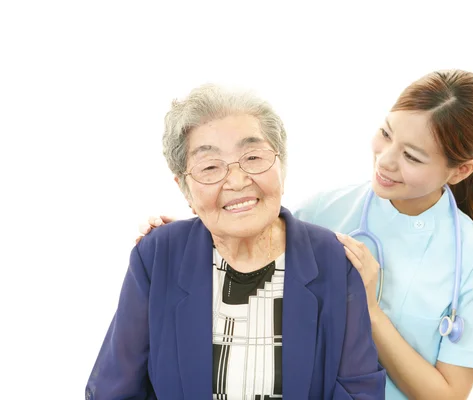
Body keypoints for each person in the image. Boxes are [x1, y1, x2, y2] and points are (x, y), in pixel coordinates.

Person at [139, 69, 473, 399]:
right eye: (386, 133)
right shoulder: (325, 210)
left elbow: (446, 396)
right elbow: (254, 248)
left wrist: (370, 310)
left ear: (460, 170)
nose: (385, 159)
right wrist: (193, 239)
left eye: (412, 156)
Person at [86, 84, 386, 399]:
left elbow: (359, 391)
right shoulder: (159, 254)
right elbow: (113, 390)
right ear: (184, 187)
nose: (238, 180)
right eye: (210, 167)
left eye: (253, 157)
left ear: (281, 164)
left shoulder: (332, 261)